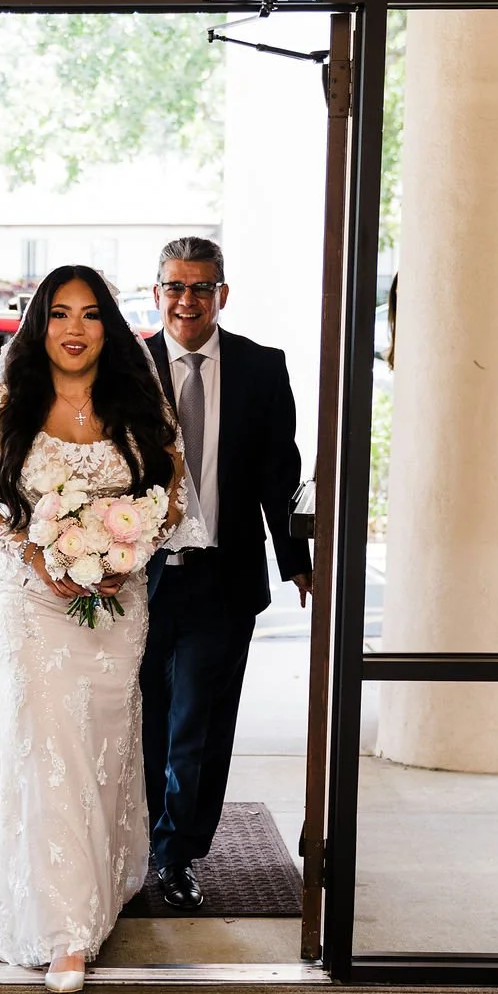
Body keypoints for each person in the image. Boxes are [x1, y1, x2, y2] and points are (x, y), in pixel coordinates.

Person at [0, 265, 205, 994]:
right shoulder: (9, 397)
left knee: (103, 737)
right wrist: (32, 549)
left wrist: (130, 549)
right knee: (45, 735)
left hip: (119, 599)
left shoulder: (137, 397)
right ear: (39, 324)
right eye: (59, 313)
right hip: (31, 596)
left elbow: (172, 496)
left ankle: (103, 879)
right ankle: (64, 935)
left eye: (88, 314)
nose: (74, 328)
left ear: (108, 324)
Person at [141, 236, 312, 910]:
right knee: (143, 722)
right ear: (157, 291)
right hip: (133, 579)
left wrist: (297, 562)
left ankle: (179, 854)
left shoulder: (261, 368)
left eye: (201, 288)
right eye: (175, 287)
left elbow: (280, 472)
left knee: (201, 726)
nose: (187, 300)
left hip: (223, 578)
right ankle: (137, 843)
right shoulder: (127, 367)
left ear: (222, 294)